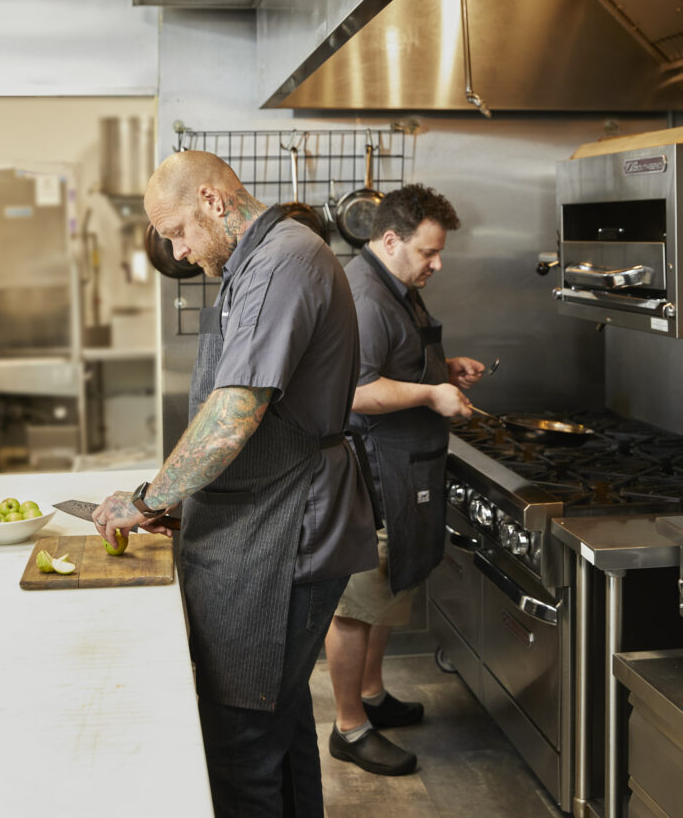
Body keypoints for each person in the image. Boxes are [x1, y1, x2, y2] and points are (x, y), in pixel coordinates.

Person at [92, 150, 379, 817]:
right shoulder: (254, 262)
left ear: (215, 203)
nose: (179, 249)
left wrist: (149, 499)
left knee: (242, 737)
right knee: (273, 720)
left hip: (286, 532)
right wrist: (184, 501)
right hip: (258, 522)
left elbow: (234, 415)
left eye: (179, 231)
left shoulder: (283, 260)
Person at [325, 183, 484, 776]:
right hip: (371, 472)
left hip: (403, 466)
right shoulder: (365, 296)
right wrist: (433, 393)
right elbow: (358, 390)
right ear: (390, 240)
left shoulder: (396, 284)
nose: (437, 264)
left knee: (386, 589)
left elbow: (400, 358)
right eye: (428, 253)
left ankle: (371, 696)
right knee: (356, 605)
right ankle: (349, 726)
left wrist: (447, 368)